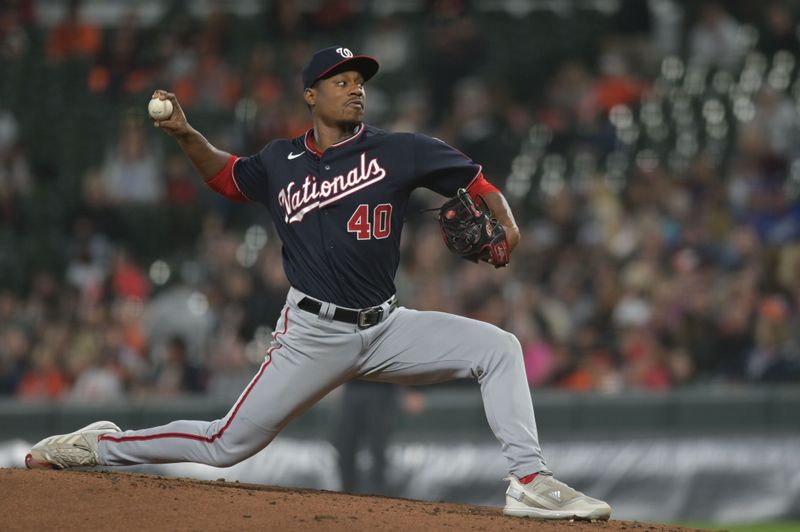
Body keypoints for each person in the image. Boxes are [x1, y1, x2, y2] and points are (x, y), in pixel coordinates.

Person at [26, 46, 611, 521]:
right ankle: (97, 447)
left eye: (359, 79)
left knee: (499, 348)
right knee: (225, 445)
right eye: (340, 80)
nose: (355, 87)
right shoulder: (281, 162)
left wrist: (506, 225)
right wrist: (185, 134)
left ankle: (530, 479)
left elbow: (476, 180)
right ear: (311, 95)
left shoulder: (400, 150)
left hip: (387, 327)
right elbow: (229, 178)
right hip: (312, 333)